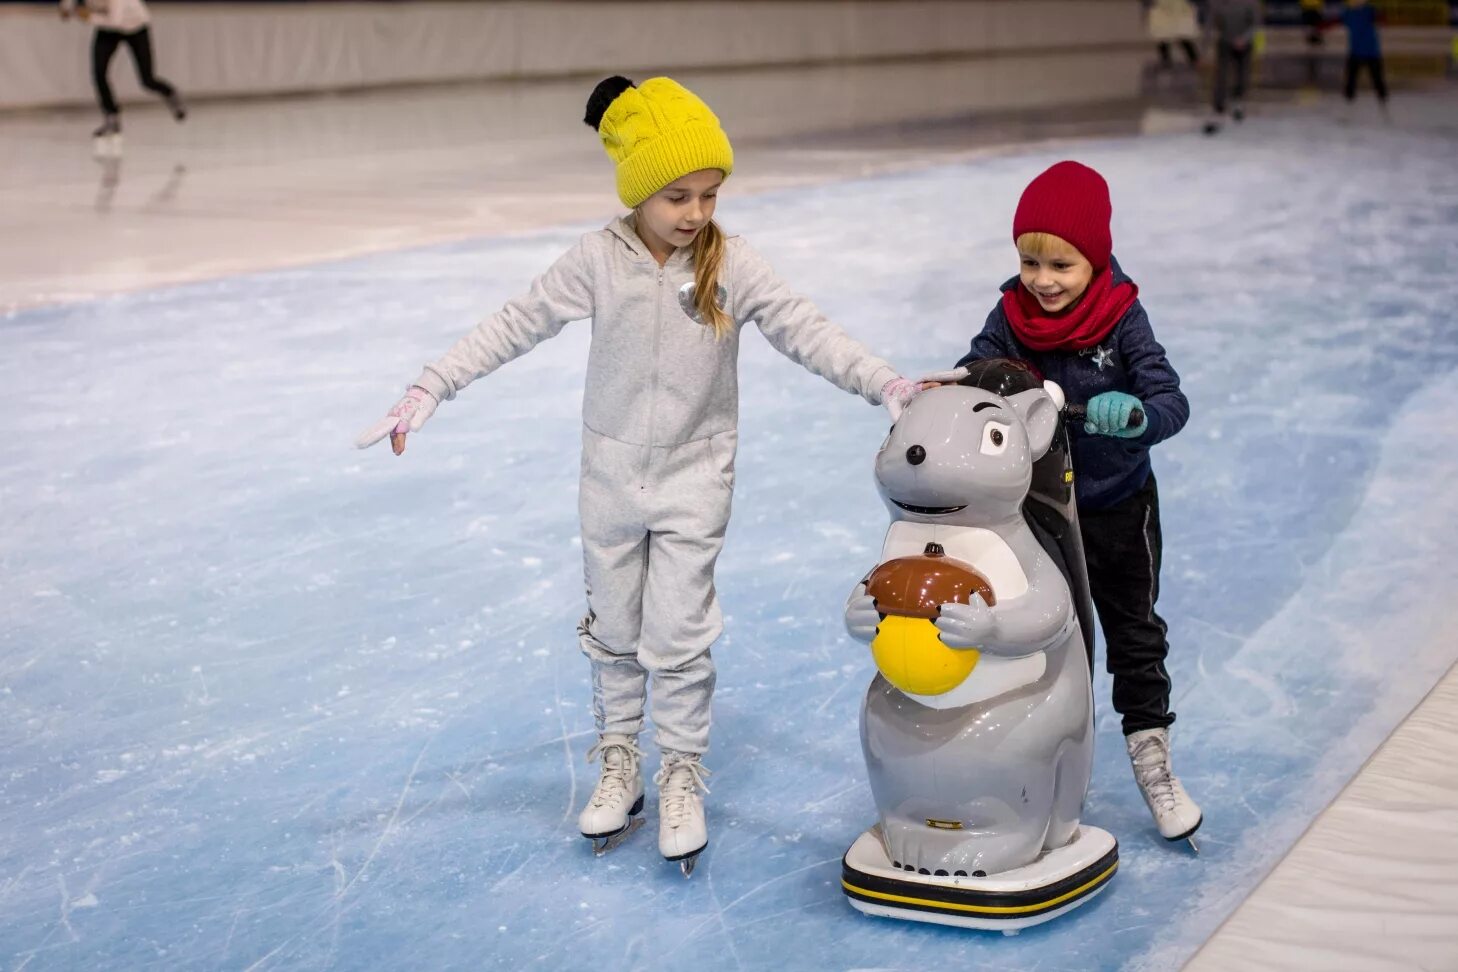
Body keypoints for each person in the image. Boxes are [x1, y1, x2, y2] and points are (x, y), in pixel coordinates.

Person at [356, 76, 920, 873]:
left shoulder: (733, 264)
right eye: (675, 196)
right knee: (617, 633)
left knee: (681, 636)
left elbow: (807, 329)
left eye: (708, 195)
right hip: (612, 479)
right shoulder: (597, 260)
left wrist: (888, 385)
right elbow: (514, 323)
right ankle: (620, 760)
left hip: (697, 478)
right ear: (637, 194)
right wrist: (429, 386)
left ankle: (681, 770)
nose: (694, 213)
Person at [943, 161, 1201, 845]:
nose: (1043, 279)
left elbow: (1171, 400)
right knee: (1043, 639)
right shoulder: (1012, 314)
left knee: (1133, 637)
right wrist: (981, 385)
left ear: (1095, 259)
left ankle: (1153, 762)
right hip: (1040, 513)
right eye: (1029, 261)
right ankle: (1040, 764)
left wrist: (1138, 414)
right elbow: (976, 373)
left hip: (1118, 507)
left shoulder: (1122, 319)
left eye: (1062, 263)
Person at [59, 0, 186, 145]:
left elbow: (115, 21)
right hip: (107, 24)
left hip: (135, 26)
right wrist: (66, 9)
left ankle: (171, 93)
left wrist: (89, 17)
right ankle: (111, 117)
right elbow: (68, 5)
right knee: (99, 73)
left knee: (147, 79)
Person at [1205, 0, 1260, 134]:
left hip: (1245, 44)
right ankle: (1218, 109)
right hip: (1225, 42)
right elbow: (1210, 24)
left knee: (1242, 75)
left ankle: (1237, 100)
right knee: (1221, 76)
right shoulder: (1217, 3)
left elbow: (1255, 24)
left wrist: (1244, 39)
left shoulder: (1250, 3)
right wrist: (1205, 47)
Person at [1333, 0, 1390, 118]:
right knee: (1350, 81)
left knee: (1378, 80)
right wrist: (1319, 28)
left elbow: (1382, 18)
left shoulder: (1369, 11)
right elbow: (1337, 21)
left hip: (1371, 53)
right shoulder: (1348, 13)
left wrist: (1379, 15)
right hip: (1355, 52)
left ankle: (1385, 108)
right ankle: (1348, 108)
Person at [1149, 0, 1201, 69]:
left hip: (1175, 9)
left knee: (1179, 34)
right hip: (1165, 9)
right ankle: (1166, 61)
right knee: (1164, 36)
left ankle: (1194, 59)